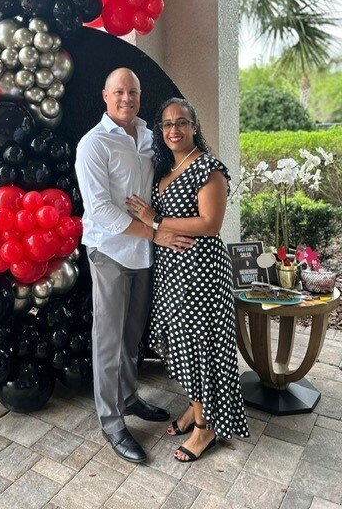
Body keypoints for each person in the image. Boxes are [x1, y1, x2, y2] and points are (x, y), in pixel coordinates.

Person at [75, 70, 195, 464]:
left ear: (140, 97)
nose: (127, 98)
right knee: (108, 341)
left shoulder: (148, 136)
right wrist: (154, 234)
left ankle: (128, 398)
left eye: (133, 92)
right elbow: (100, 211)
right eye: (119, 92)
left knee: (131, 337)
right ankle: (112, 423)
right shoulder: (93, 144)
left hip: (143, 255)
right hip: (110, 252)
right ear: (106, 95)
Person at [127, 97, 250, 463]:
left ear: (195, 126)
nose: (174, 129)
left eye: (181, 122)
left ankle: (206, 426)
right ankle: (197, 409)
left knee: (201, 348)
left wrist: (155, 221)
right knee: (177, 343)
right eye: (166, 124)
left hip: (201, 274)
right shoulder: (165, 169)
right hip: (171, 272)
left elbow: (210, 224)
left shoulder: (208, 168)